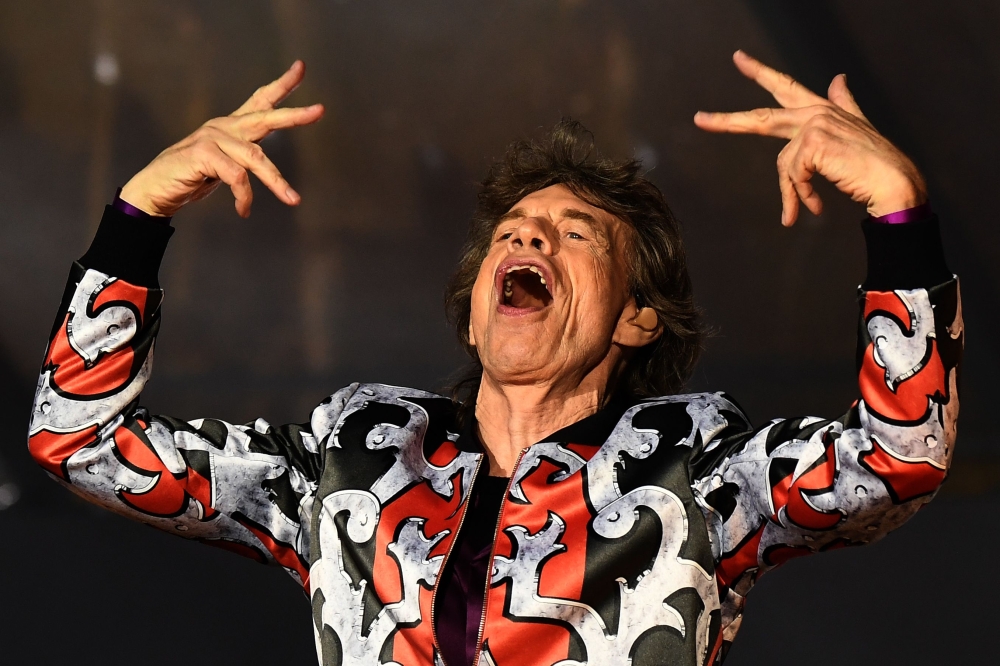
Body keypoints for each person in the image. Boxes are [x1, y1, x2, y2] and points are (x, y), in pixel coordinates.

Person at [27, 51, 961, 666]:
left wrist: (899, 213)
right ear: (474, 319)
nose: (533, 242)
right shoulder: (351, 452)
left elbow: (897, 458)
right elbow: (77, 440)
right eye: (514, 232)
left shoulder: (700, 469)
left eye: (574, 234)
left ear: (637, 319)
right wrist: (137, 217)